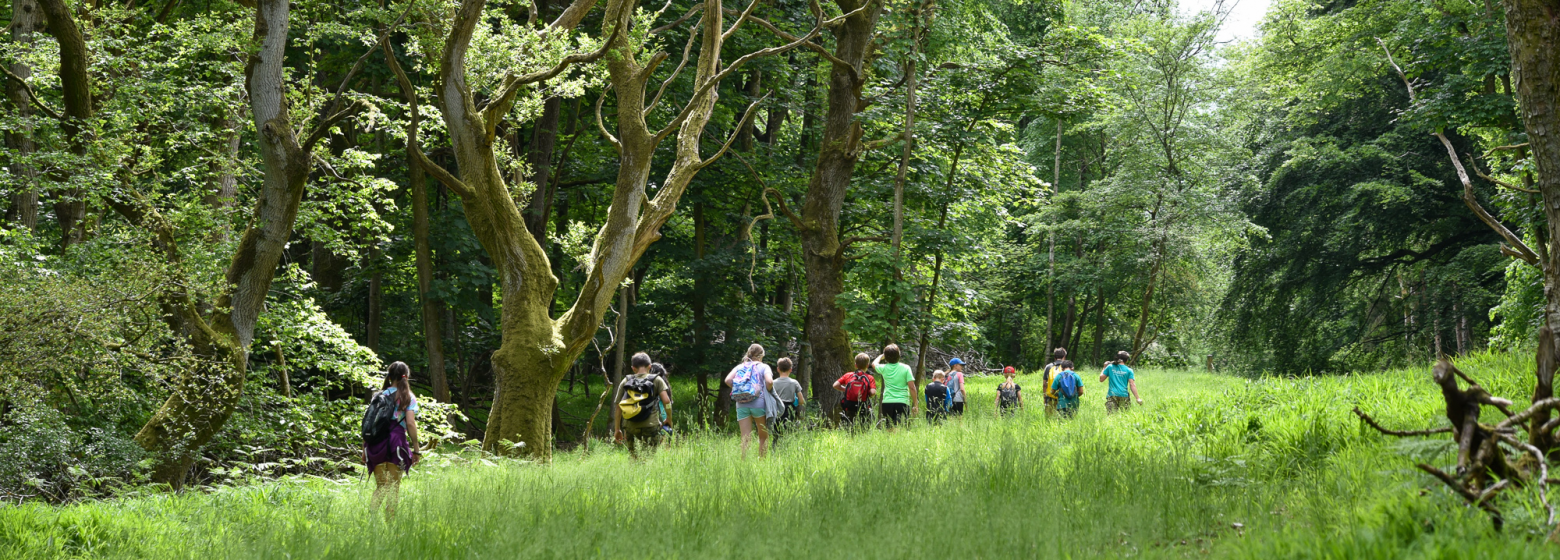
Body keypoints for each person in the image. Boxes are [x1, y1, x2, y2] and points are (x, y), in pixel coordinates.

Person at [364, 361, 421, 521]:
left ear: (389, 377)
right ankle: (391, 526)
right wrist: (416, 449)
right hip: (396, 443)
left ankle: (371, 523)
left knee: (381, 486)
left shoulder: (378, 396)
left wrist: (364, 449)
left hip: (375, 445)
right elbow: (410, 423)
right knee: (394, 488)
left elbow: (369, 422)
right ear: (406, 377)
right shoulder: (408, 397)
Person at [614, 352, 673, 459]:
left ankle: (635, 475)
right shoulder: (656, 380)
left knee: (634, 457)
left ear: (633, 368)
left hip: (630, 426)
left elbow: (618, 406)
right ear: (650, 367)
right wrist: (669, 418)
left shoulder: (626, 380)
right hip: (651, 425)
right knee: (650, 458)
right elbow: (666, 401)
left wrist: (617, 429)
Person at [725, 344, 776, 458]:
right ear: (762, 355)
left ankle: (744, 463)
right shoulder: (764, 367)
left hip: (741, 404)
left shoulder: (740, 367)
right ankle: (762, 463)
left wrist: (741, 389)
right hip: (759, 403)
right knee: (763, 435)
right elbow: (769, 382)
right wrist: (768, 391)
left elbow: (728, 380)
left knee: (745, 437)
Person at [873, 344, 918, 429]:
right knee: (900, 427)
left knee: (889, 427)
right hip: (902, 402)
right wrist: (915, 403)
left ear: (886, 357)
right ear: (899, 355)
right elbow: (912, 387)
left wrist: (881, 356)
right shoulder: (906, 368)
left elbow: (874, 364)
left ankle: (890, 442)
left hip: (887, 402)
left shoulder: (884, 368)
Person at [833, 353, 877, 427]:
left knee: (849, 427)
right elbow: (872, 393)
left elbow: (835, 385)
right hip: (863, 406)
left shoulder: (848, 375)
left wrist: (846, 390)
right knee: (864, 427)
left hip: (849, 405)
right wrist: (865, 393)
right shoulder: (869, 377)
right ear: (867, 365)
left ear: (855, 365)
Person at [771, 357, 805, 445]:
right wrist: (796, 401)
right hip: (790, 409)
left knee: (776, 431)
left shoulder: (773, 383)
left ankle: (775, 448)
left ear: (778, 369)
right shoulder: (794, 383)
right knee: (788, 431)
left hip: (777, 408)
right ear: (791, 369)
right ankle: (787, 449)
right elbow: (801, 401)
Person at [1040, 348, 1067, 416]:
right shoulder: (1067, 367)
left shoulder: (1048, 367)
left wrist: (1045, 398)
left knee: (1049, 419)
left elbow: (1044, 384)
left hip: (1050, 396)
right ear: (1064, 357)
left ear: (1055, 357)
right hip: (1063, 397)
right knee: (1061, 418)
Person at [650, 362, 674, 437]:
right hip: (662, 420)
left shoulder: (655, 385)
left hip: (657, 420)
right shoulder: (666, 386)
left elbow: (663, 405)